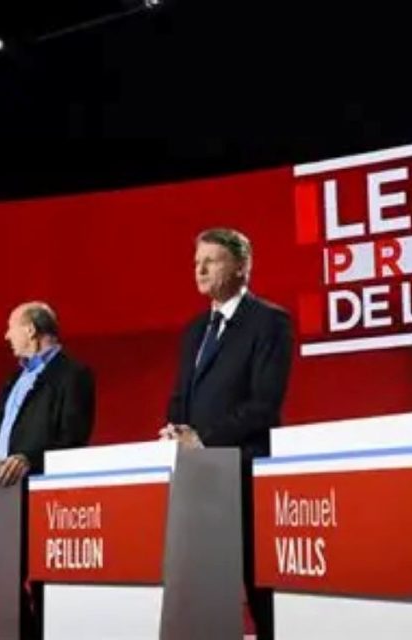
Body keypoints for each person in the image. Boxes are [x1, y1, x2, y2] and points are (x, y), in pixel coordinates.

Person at [161, 227, 292, 640]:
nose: (200, 270)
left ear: (241, 266)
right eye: (196, 262)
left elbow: (263, 404)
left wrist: (203, 440)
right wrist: (174, 431)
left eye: (211, 261)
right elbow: (181, 395)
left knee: (258, 585)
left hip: (244, 471)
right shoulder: (195, 329)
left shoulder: (269, 321)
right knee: (203, 586)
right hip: (197, 477)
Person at [0, 301, 96, 639]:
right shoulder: (16, 379)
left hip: (44, 502)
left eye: (11, 328)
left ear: (31, 330)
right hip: (0, 503)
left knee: (42, 589)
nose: (6, 336)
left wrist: (29, 459)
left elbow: (72, 439)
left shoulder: (73, 375)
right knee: (1, 585)